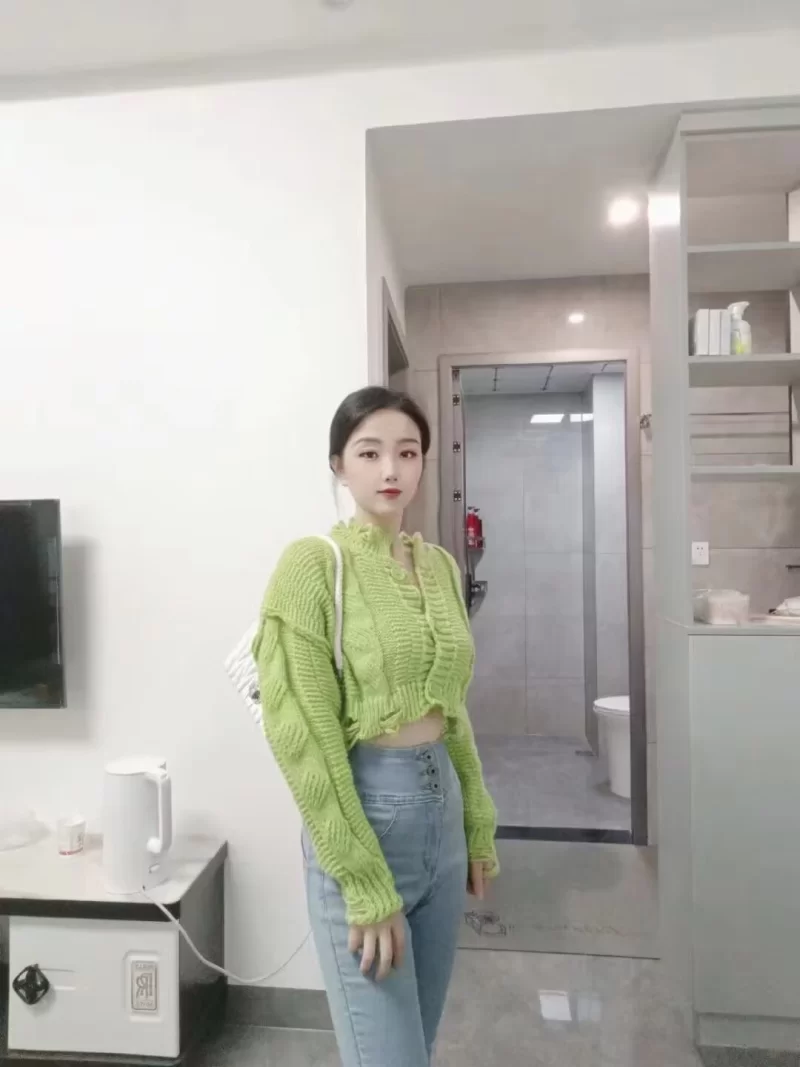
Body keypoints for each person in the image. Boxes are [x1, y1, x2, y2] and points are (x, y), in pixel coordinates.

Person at [252, 386, 498, 1067]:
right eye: (369, 453)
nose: (391, 469)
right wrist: (361, 878)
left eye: (407, 452)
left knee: (417, 1047)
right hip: (367, 819)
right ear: (339, 465)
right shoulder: (310, 566)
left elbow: (454, 710)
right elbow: (303, 737)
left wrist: (477, 820)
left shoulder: (440, 566)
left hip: (443, 823)